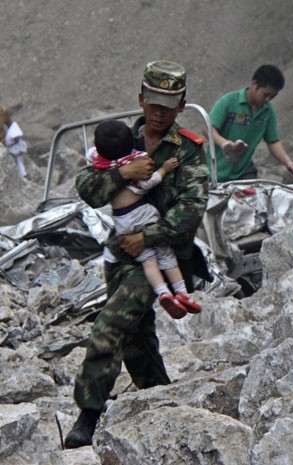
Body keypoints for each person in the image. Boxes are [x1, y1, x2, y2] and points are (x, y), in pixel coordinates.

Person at [64, 60, 209, 448]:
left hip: (162, 256)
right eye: (154, 102)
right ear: (141, 99)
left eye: (169, 103)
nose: (159, 112)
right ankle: (160, 398)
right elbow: (87, 186)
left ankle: (88, 415)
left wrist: (147, 237)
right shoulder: (118, 142)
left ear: (182, 104)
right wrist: (121, 175)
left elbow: (191, 209)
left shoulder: (188, 151)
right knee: (137, 337)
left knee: (110, 325)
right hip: (121, 256)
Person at [91, 119, 202, 320]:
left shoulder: (100, 164)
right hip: (142, 214)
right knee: (166, 257)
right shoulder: (135, 164)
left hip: (122, 223)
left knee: (148, 262)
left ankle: (163, 293)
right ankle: (183, 293)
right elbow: (148, 183)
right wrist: (164, 169)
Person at [205, 64, 293, 183]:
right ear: (254, 84)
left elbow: (273, 141)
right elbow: (207, 128)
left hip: (243, 171)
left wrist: (287, 162)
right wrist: (224, 143)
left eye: (272, 96)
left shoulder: (268, 112)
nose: (268, 99)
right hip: (216, 171)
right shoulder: (228, 102)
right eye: (266, 94)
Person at [1, 106, 28, 178]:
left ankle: (23, 174)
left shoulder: (13, 127)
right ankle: (21, 174)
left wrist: (14, 141)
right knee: (18, 161)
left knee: (19, 161)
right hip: (13, 147)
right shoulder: (11, 128)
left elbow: (17, 136)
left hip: (15, 147)